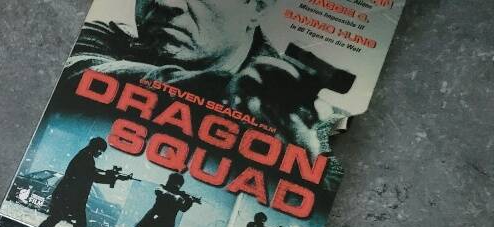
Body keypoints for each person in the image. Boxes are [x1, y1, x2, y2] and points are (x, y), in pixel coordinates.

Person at [64, 0, 343, 153]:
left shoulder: (313, 119)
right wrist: (219, 90)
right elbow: (80, 73)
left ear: (257, 7)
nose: (166, 2)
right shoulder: (106, 40)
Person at [39, 137, 131, 227]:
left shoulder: (84, 155)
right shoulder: (86, 158)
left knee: (54, 219)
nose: (100, 154)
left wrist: (110, 175)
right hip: (70, 198)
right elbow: (94, 177)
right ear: (95, 147)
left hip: (67, 196)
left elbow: (90, 173)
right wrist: (113, 177)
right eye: (100, 151)